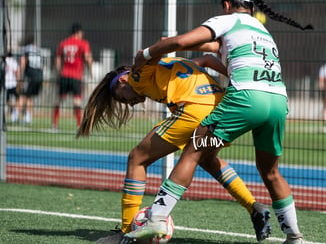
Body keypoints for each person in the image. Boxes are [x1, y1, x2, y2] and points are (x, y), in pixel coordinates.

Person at [123, 0, 313, 244]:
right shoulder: (262, 30)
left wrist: (145, 54)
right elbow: (214, 52)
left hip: (246, 99)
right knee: (270, 172)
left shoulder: (226, 20)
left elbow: (179, 41)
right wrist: (192, 57)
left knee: (193, 151)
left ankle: (155, 219)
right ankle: (295, 237)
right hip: (278, 101)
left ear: (226, 5)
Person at [77, 55, 271, 243]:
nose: (130, 103)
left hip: (195, 108)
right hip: (222, 108)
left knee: (137, 158)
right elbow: (207, 58)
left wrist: (154, 49)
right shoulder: (174, 63)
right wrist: (233, 76)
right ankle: (253, 206)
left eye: (123, 99)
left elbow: (147, 57)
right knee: (207, 160)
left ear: (122, 81)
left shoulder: (136, 75)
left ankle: (126, 231)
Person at [52, 23, 93, 129]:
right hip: (76, 76)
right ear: (79, 32)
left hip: (64, 74)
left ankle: (54, 123)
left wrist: (58, 73)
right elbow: (87, 58)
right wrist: (91, 71)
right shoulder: (83, 43)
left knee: (59, 100)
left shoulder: (63, 43)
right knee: (77, 100)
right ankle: (79, 124)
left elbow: (57, 60)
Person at [15, 37, 44, 124]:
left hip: (30, 75)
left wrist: (19, 77)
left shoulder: (26, 50)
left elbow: (22, 63)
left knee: (22, 95)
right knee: (29, 96)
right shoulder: (37, 50)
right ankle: (27, 117)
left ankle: (15, 115)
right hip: (39, 76)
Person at [4, 52, 21, 122]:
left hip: (5, 84)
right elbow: (17, 72)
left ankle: (13, 111)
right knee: (18, 98)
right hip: (13, 83)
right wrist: (18, 82)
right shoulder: (13, 61)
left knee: (7, 99)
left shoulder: (4, 61)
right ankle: (15, 112)